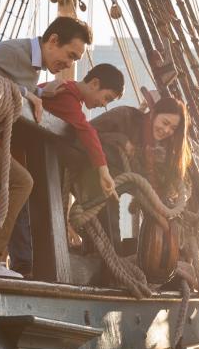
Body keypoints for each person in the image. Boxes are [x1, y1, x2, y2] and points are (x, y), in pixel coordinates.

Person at [0, 16, 92, 277]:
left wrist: (38, 93)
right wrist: (26, 93)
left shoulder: (31, 64)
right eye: (70, 55)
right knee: (21, 182)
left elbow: (12, 86)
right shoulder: (17, 52)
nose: (69, 64)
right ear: (53, 41)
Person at [8, 64, 125, 277]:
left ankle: (26, 264)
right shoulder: (65, 94)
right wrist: (103, 170)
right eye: (106, 97)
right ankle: (23, 266)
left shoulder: (66, 94)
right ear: (95, 83)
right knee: (21, 209)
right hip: (17, 157)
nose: (103, 105)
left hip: (24, 160)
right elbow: (85, 129)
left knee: (25, 208)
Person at [68, 96, 192, 248]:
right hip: (86, 171)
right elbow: (86, 132)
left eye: (173, 128)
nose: (166, 130)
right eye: (165, 122)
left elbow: (154, 187)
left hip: (112, 183)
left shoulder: (163, 150)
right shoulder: (125, 116)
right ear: (153, 114)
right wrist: (121, 140)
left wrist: (165, 217)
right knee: (109, 190)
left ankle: (115, 251)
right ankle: (109, 250)